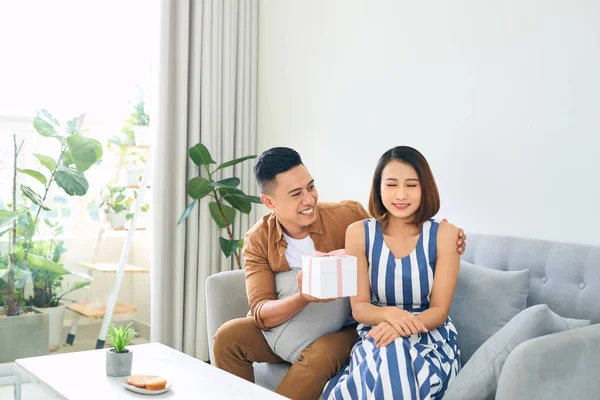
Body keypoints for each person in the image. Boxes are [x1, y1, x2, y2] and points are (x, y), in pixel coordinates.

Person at [213, 147, 466, 400]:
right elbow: (260, 311)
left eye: (310, 187)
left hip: (342, 327)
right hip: (292, 324)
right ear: (269, 202)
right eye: (296, 194)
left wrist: (444, 238)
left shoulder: (347, 216)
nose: (309, 199)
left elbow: (391, 230)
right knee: (228, 336)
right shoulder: (258, 239)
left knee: (323, 353)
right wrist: (304, 296)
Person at [323, 146, 461, 400]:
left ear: (425, 188)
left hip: (430, 340)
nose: (400, 194)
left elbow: (439, 311)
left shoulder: (445, 235)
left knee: (391, 353)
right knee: (390, 351)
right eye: (391, 184)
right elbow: (360, 307)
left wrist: (400, 327)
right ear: (378, 188)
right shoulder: (358, 233)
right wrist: (390, 315)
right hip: (377, 335)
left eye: (411, 185)